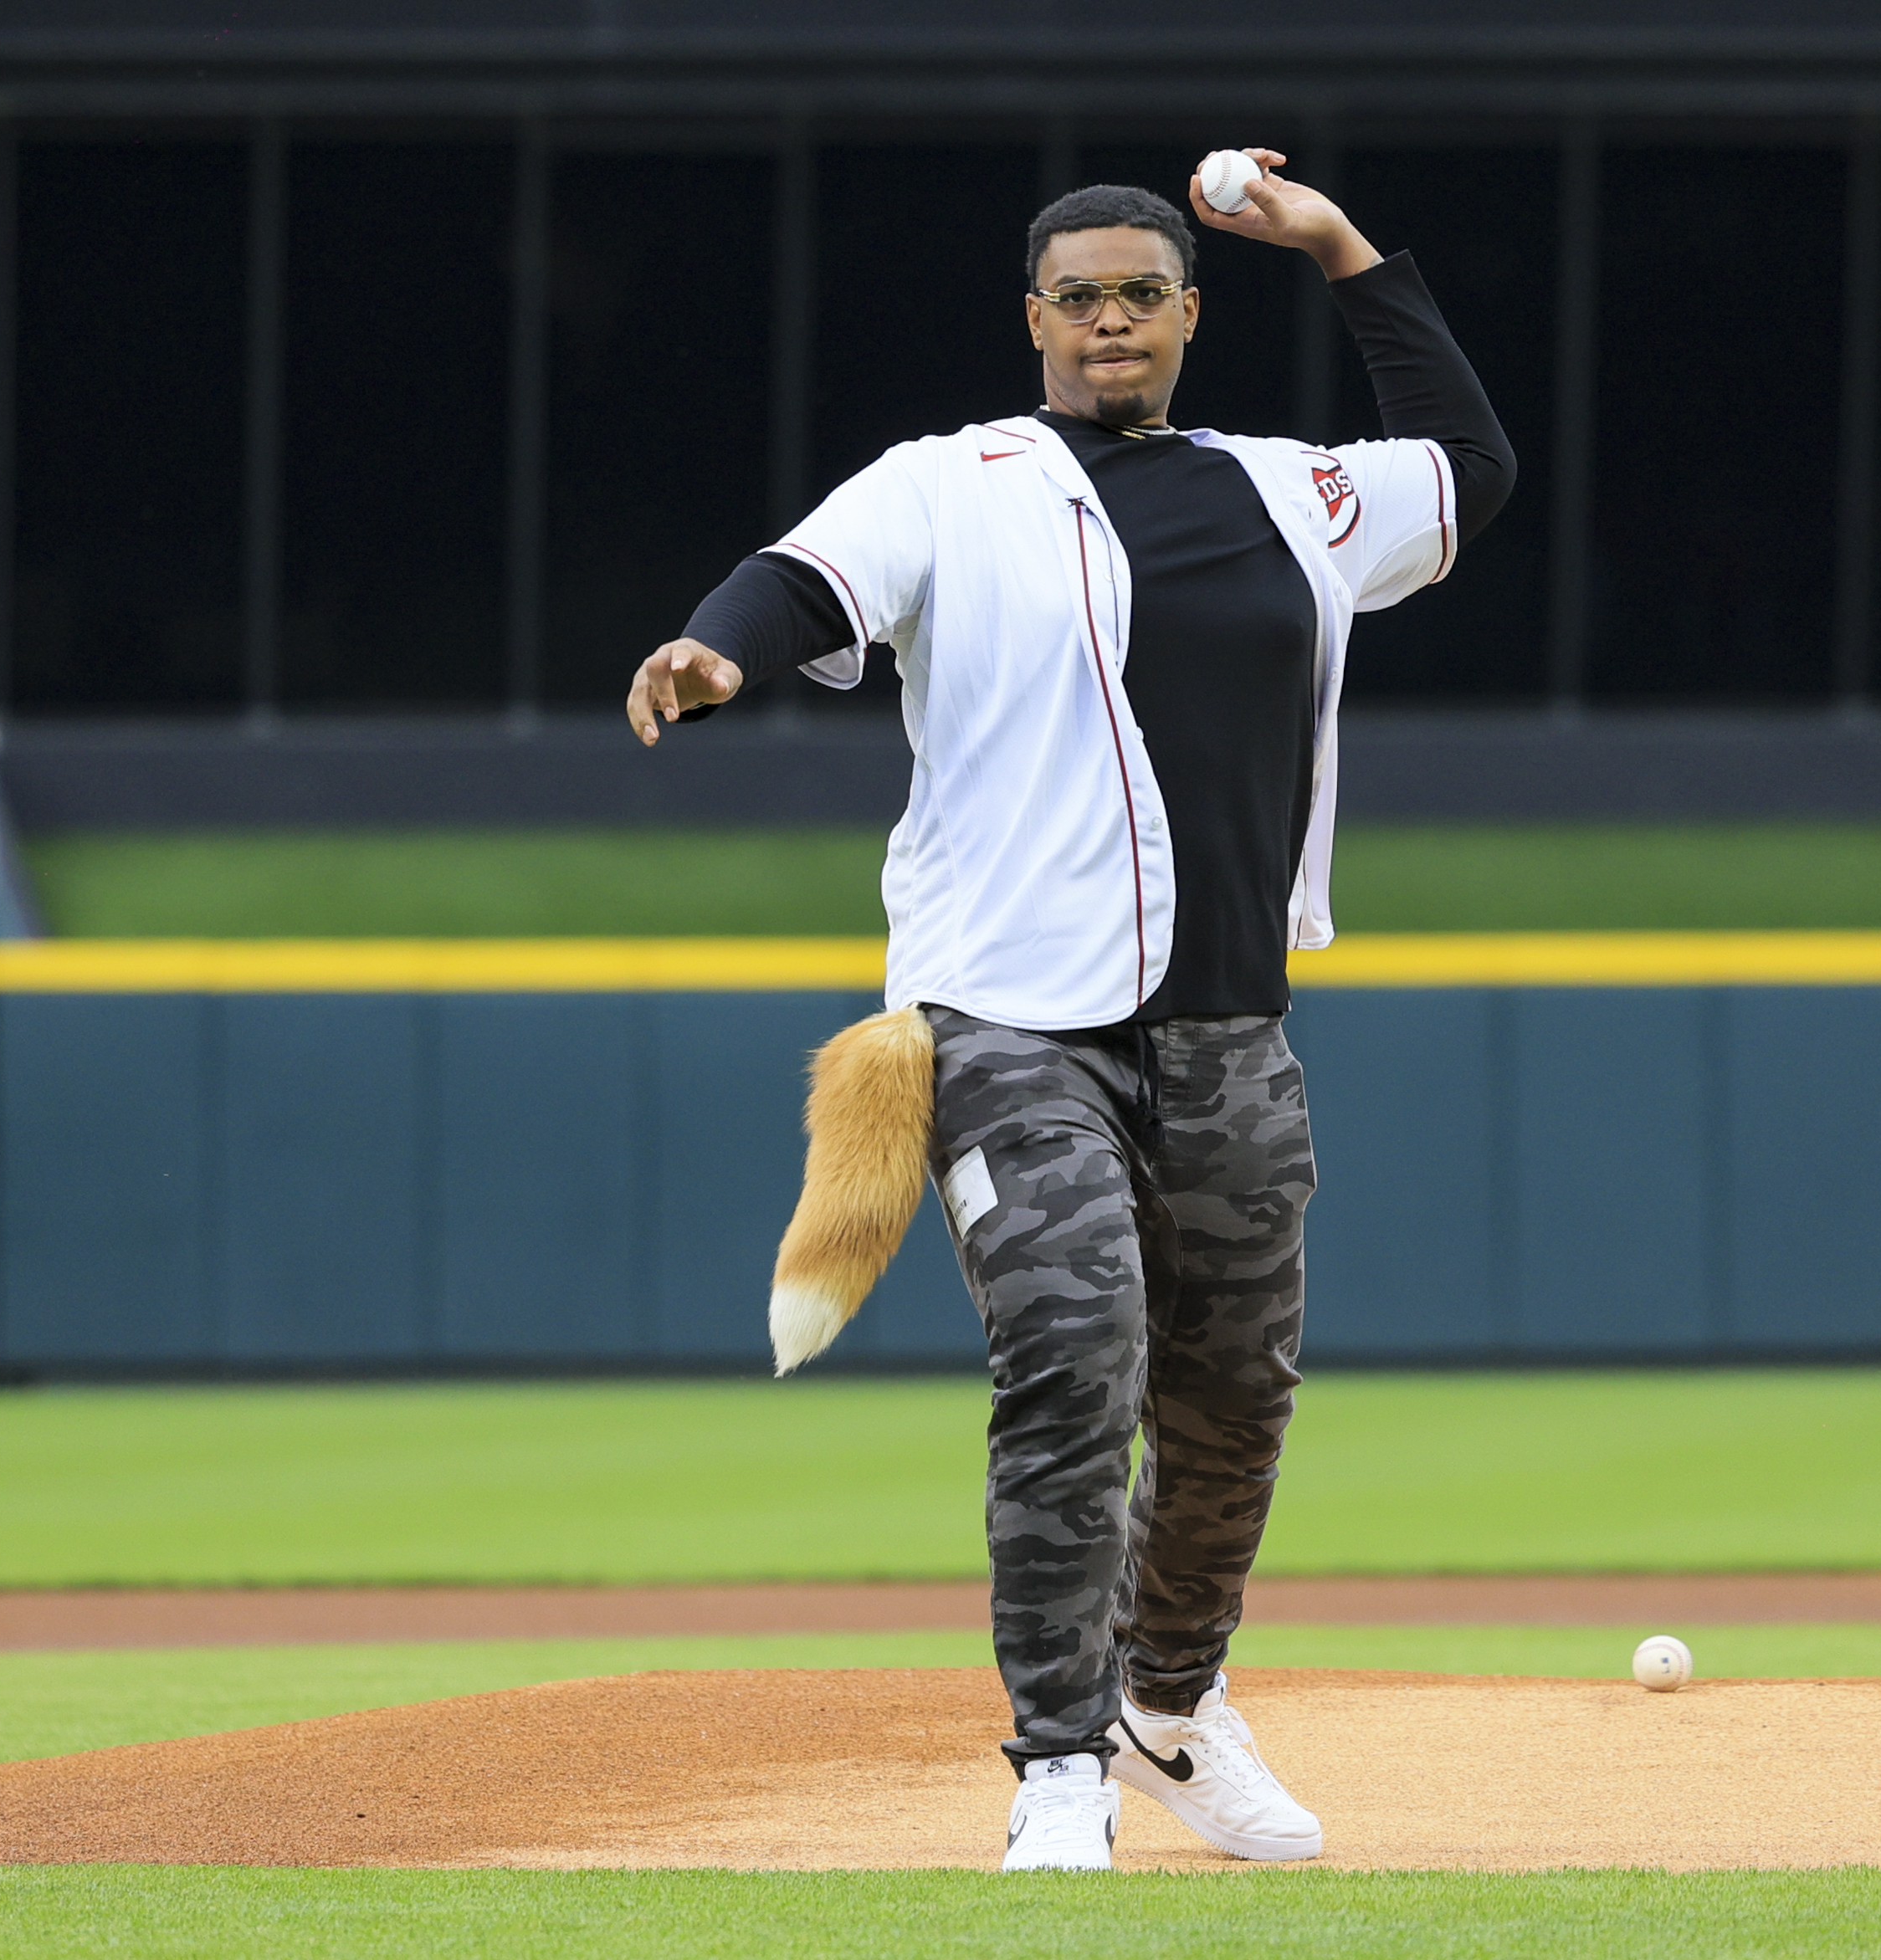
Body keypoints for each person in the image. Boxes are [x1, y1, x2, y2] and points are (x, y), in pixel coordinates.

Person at [626, 153, 1513, 1872]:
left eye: (1144, 293)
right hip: (1003, 1020)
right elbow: (802, 581)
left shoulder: (1291, 492)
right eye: (1078, 295)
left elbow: (1469, 465)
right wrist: (712, 650)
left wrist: (1335, 246)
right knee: (1073, 1351)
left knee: (1233, 1388)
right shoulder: (951, 482)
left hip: (1225, 1028)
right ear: (1033, 317)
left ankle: (1166, 1701)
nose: (1111, 318)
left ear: (1188, 313)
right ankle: (1053, 1758)